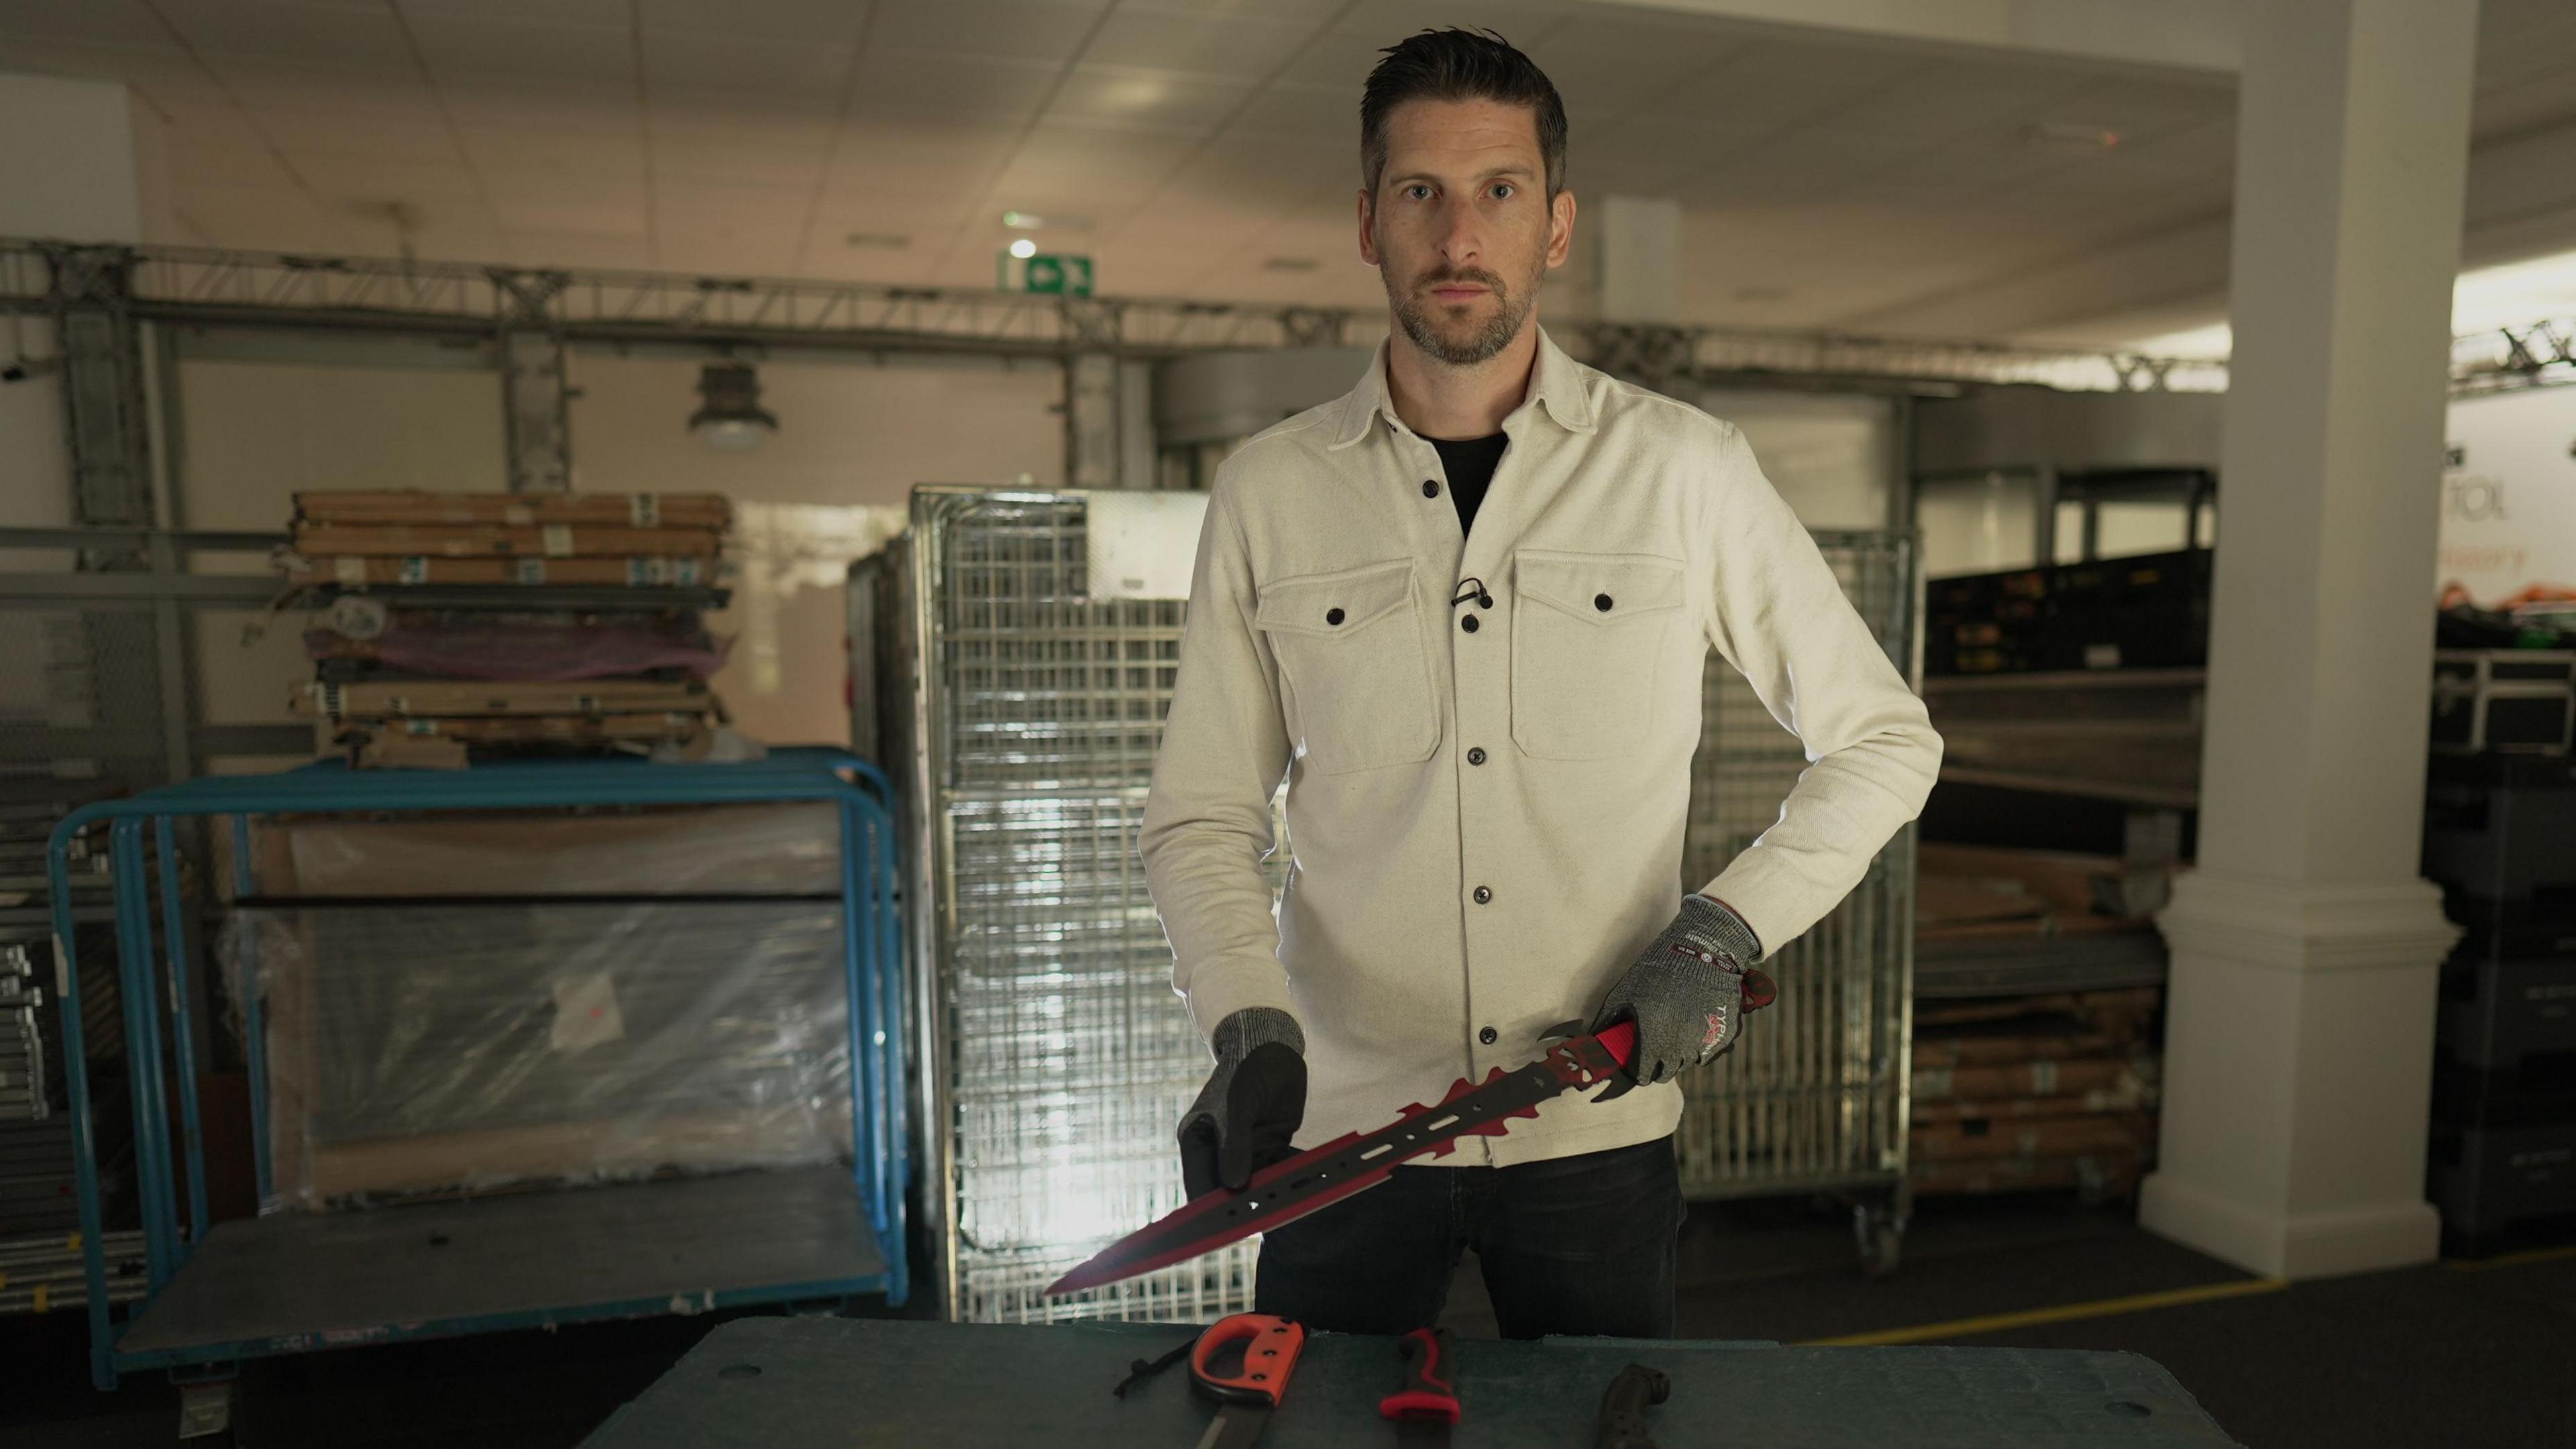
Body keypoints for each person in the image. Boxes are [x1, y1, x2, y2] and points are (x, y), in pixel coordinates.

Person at [1138, 28, 1943, 1340]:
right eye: (1421, 192)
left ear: (1556, 225)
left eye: (1500, 190)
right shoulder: (1272, 490)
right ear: (1367, 222)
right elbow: (1202, 813)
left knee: (1599, 1436)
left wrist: (1723, 932)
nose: (1461, 234)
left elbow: (1882, 743)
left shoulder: (1684, 469)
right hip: (1340, 1132)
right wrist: (1244, 1021)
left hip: (1594, 1126)